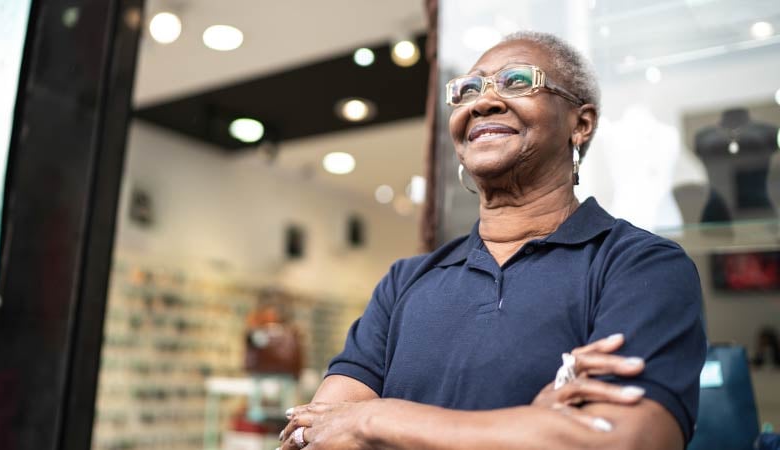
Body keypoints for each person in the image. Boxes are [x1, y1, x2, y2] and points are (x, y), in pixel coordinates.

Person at [279, 31, 706, 450]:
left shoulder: (640, 267)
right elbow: (314, 438)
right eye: (467, 90)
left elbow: (628, 439)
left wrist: (375, 419)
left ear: (581, 123)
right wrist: (533, 427)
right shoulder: (405, 281)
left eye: (517, 81)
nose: (482, 102)